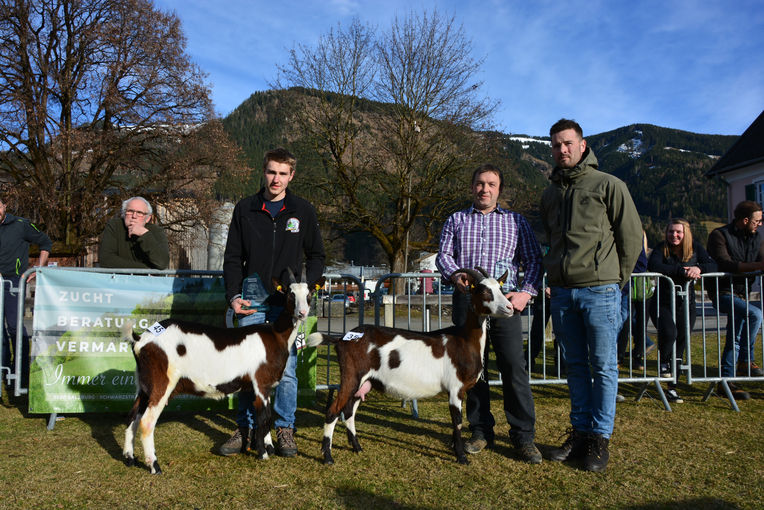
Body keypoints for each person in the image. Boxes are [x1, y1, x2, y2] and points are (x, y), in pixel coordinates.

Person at [541, 119, 642, 472]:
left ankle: (599, 439)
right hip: (563, 294)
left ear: (583, 145)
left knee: (603, 366)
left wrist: (614, 281)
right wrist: (554, 275)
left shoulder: (609, 185)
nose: (562, 150)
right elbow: (551, 239)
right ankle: (580, 433)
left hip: (600, 291)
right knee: (576, 367)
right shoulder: (550, 193)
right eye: (556, 145)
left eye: (568, 143)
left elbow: (630, 237)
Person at [436, 163, 543, 464]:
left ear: (499, 189)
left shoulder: (517, 222)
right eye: (480, 183)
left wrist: (526, 293)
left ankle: (523, 436)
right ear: (472, 187)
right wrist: (455, 275)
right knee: (472, 370)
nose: (485, 189)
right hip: (469, 306)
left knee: (513, 367)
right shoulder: (456, 219)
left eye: (491, 184)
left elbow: (534, 260)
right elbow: (444, 255)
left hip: (505, 306)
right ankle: (480, 430)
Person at [221, 147, 325, 457]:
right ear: (263, 172)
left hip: (287, 304)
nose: (276, 179)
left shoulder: (303, 211)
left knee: (288, 370)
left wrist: (308, 287)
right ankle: (246, 428)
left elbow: (317, 255)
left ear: (291, 176)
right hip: (252, 301)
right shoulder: (245, 209)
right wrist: (233, 296)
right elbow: (233, 258)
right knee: (248, 369)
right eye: (271, 172)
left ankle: (284, 429)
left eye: (282, 173)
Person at [648, 219, 717, 403]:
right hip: (662, 303)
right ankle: (664, 363)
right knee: (669, 332)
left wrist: (698, 268)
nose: (674, 235)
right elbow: (654, 266)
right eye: (671, 231)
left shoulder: (695, 248)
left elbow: (713, 265)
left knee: (681, 342)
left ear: (686, 233)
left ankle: (673, 388)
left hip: (686, 304)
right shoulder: (661, 248)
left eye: (678, 232)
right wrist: (680, 271)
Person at [707, 200, 764, 401]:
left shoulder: (756, 238)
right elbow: (725, 263)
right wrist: (758, 265)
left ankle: (726, 382)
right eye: (757, 220)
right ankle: (746, 360)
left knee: (735, 337)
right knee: (755, 314)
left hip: (742, 293)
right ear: (745, 220)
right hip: (722, 292)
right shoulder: (719, 235)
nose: (760, 224)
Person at [0, 198, 51, 390]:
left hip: (13, 281)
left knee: (14, 326)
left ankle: (20, 370)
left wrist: (38, 267)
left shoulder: (20, 225)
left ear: (4, 206)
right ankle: (3, 370)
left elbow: (45, 242)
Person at [98, 196, 169, 269]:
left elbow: (162, 263)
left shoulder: (156, 231)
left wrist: (144, 234)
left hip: (147, 280)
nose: (134, 216)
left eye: (139, 212)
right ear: (124, 213)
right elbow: (106, 260)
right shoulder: (114, 226)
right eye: (130, 211)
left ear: (147, 218)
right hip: (118, 279)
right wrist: (145, 270)